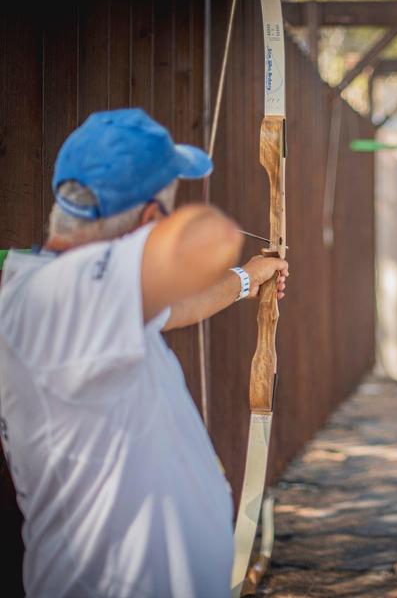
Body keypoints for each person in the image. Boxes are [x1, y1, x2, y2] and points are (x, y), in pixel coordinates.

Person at [0, 108, 288, 597]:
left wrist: (248, 278)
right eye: (166, 208)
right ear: (151, 217)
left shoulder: (81, 301)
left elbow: (174, 307)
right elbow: (209, 238)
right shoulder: (64, 297)